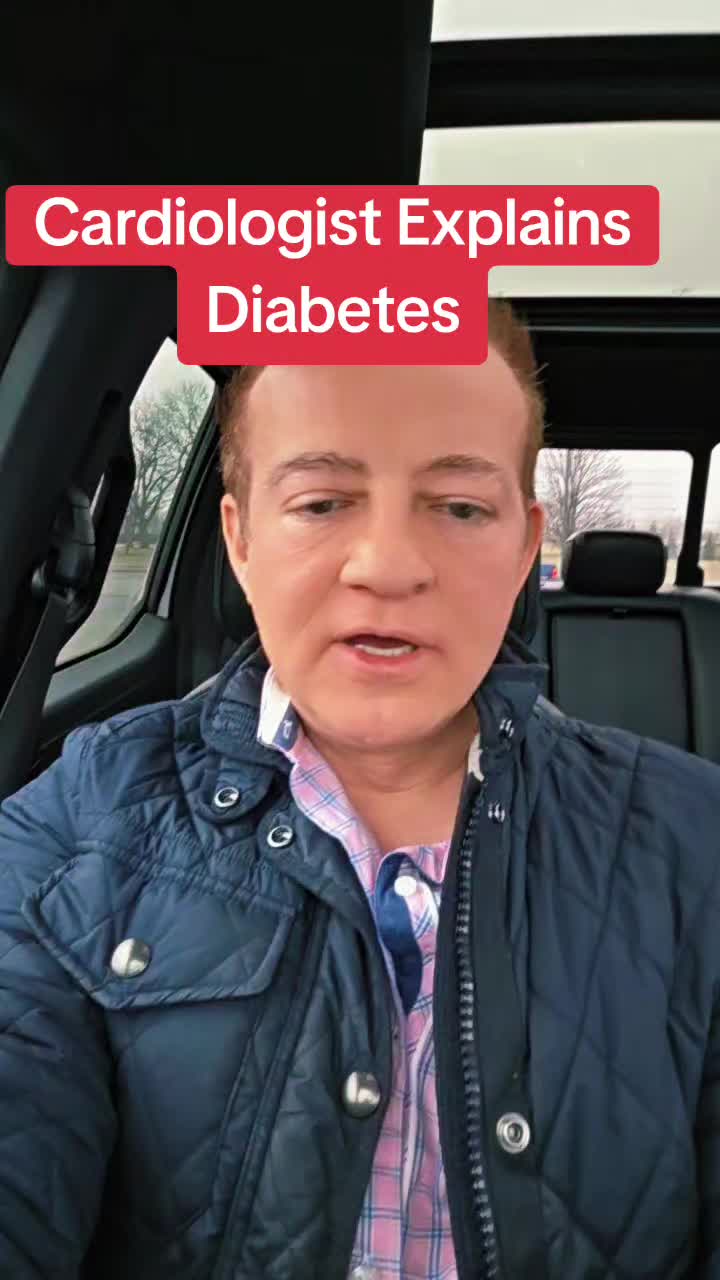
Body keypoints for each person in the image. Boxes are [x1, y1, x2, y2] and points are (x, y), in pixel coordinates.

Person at [0, 303, 719, 1280]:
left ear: (523, 549)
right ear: (241, 538)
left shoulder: (697, 844)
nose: (387, 565)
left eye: (459, 507)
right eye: (322, 502)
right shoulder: (85, 817)